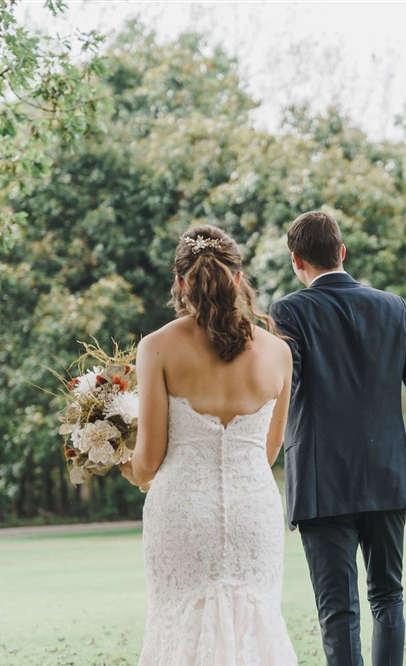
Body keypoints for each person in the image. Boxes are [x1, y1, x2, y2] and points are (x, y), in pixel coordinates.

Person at [269, 211, 406, 666]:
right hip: (386, 477)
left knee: (338, 609)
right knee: (388, 597)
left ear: (296, 261)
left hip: (320, 479)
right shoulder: (393, 307)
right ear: (342, 252)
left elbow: (283, 390)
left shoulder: (289, 310)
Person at [119, 225, 298, 666]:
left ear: (180, 283)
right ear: (238, 279)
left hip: (182, 513)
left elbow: (149, 461)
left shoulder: (156, 347)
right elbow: (269, 451)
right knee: (256, 625)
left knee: (180, 627)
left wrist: (121, 462)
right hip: (254, 513)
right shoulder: (278, 352)